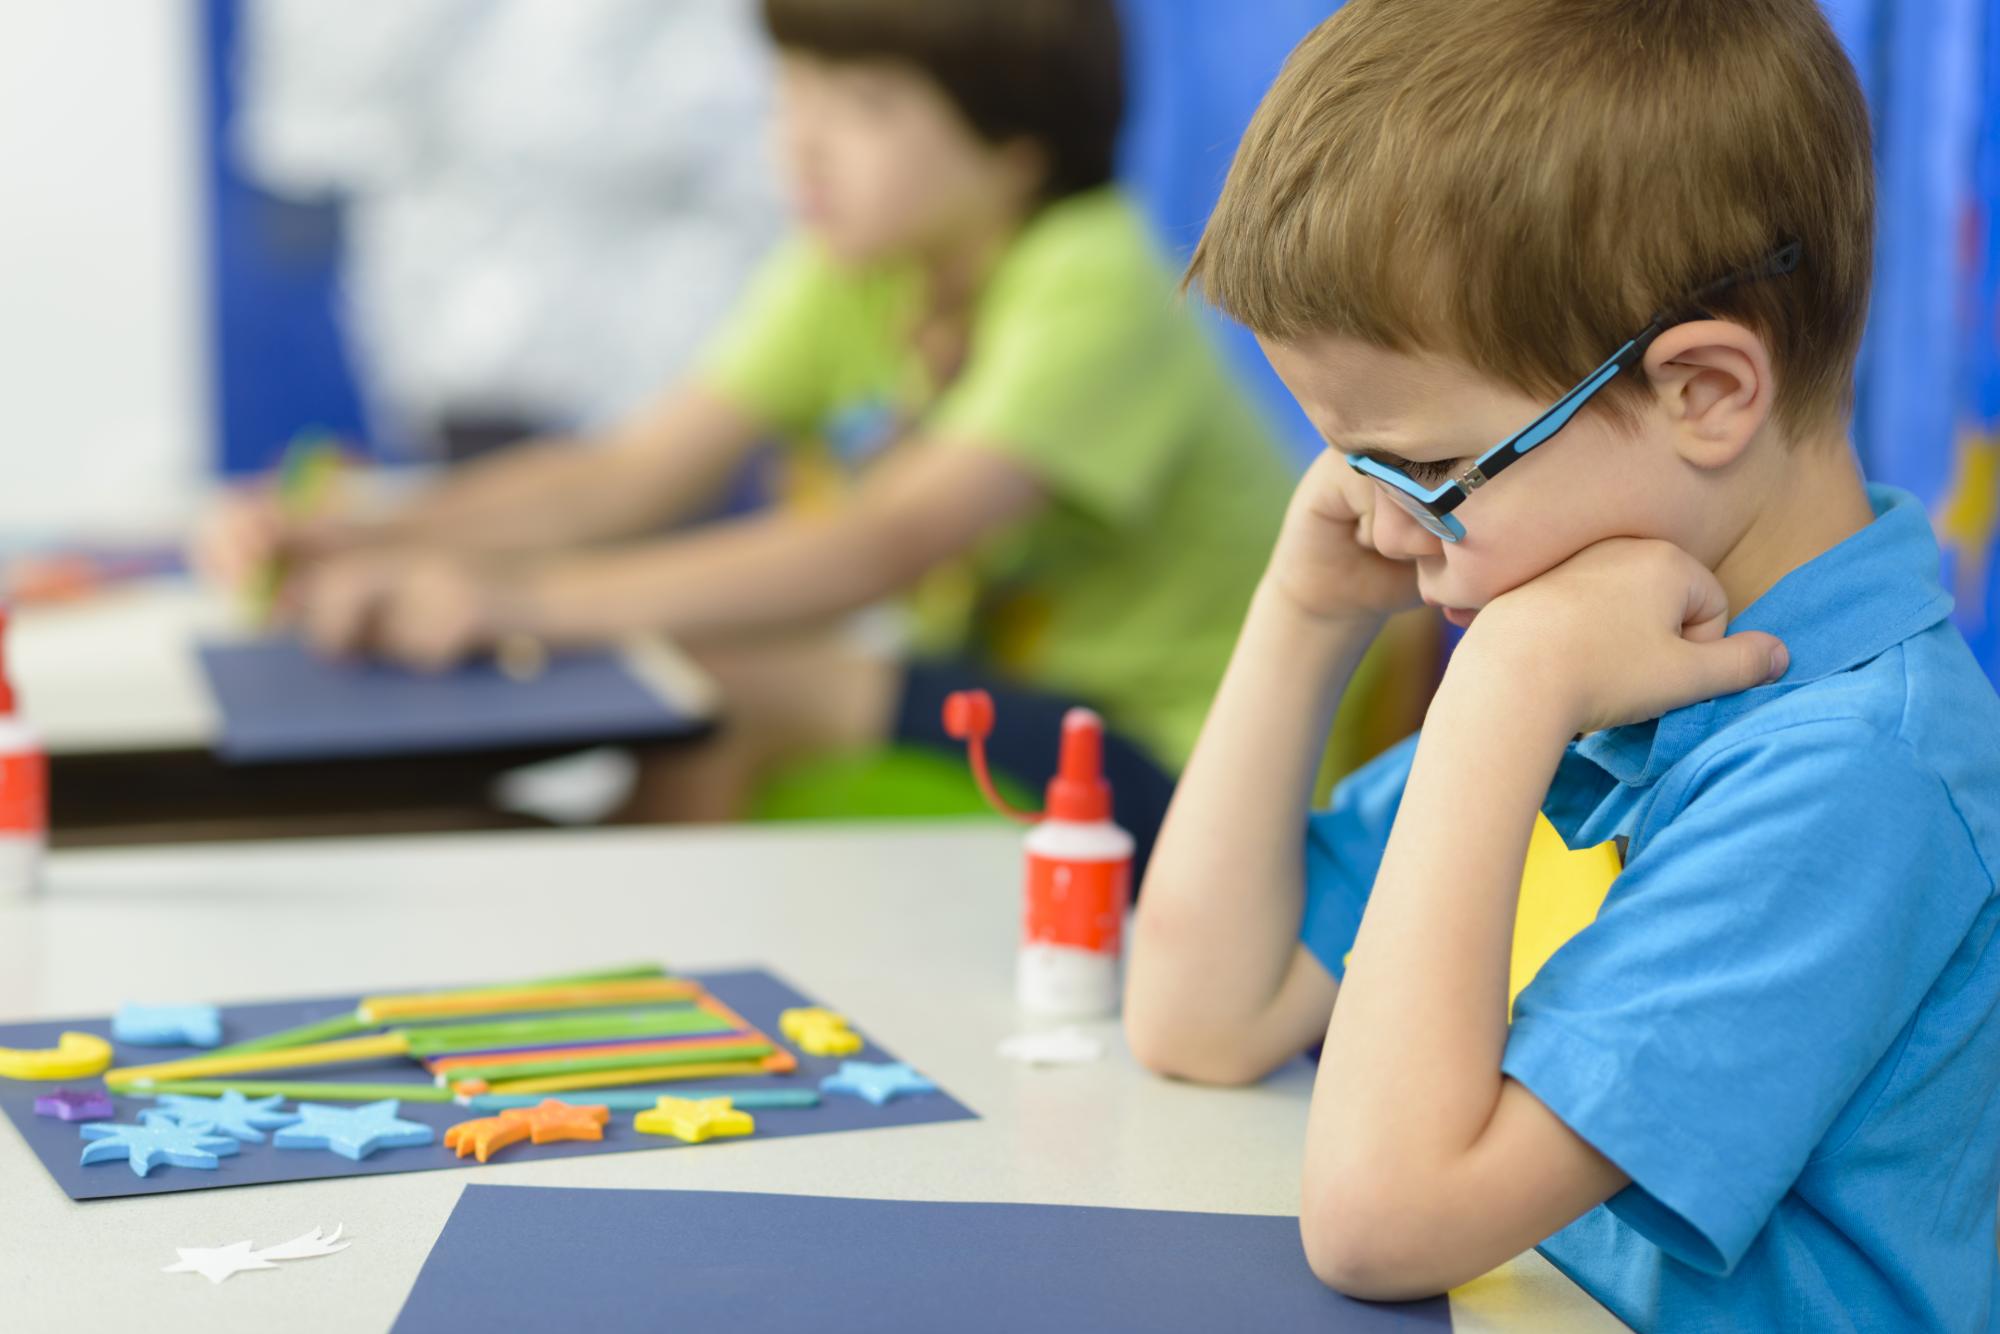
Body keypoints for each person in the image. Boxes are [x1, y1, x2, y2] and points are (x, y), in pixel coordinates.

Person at [1123, 2, 2000, 1327]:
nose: (1379, 518)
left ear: (1703, 393)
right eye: (1352, 464)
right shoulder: (1618, 659)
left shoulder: (1852, 775)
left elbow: (1379, 1223)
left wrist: (1499, 694)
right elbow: (1207, 1010)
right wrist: (1305, 612)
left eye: (1424, 468)